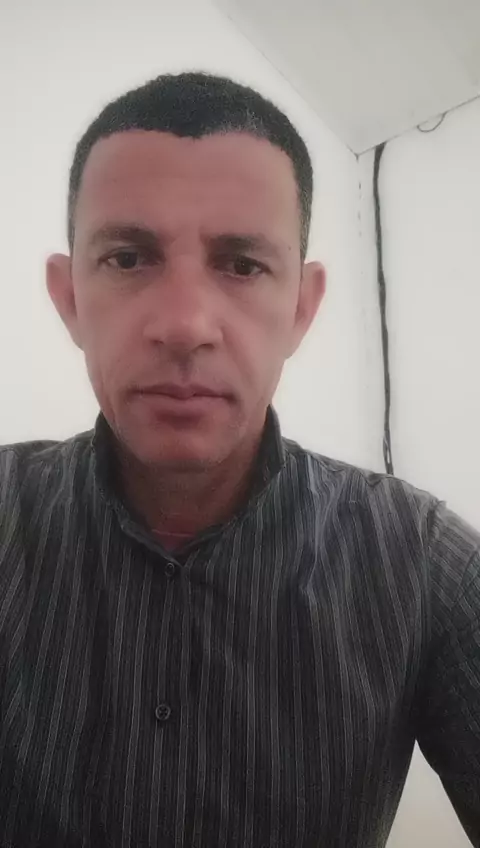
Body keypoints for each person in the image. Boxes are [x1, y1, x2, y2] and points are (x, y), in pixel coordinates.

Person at [0, 71, 478, 848]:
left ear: (301, 308)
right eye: (129, 258)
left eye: (243, 265)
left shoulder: (424, 565)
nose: (186, 325)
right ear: (69, 298)